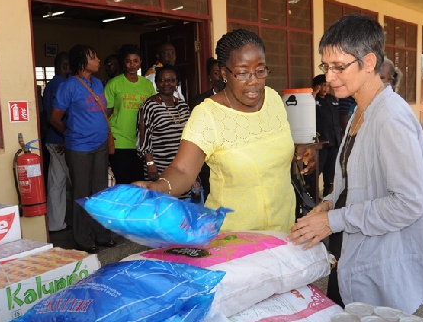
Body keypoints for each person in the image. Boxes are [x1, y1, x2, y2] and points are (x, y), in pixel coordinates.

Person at [288, 14, 423, 314]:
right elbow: (356, 183)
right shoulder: (360, 111)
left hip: (381, 265)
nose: (329, 77)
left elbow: (408, 203)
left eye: (340, 67)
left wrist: (331, 221)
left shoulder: (390, 117)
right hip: (353, 254)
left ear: (369, 62)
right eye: (326, 67)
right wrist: (328, 204)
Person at [134, 29, 317, 232]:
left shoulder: (273, 99)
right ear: (223, 73)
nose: (254, 80)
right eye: (242, 72)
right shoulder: (208, 114)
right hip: (234, 239)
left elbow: (268, 146)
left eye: (260, 70)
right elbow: (183, 170)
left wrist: (298, 151)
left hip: (282, 231)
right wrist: (157, 188)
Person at [50, 44, 116, 254]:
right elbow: (55, 118)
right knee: (82, 193)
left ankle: (102, 235)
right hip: (79, 147)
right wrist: (71, 134)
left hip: (100, 146)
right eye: (93, 57)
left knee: (99, 192)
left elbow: (101, 113)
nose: (98, 60)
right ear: (82, 62)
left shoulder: (97, 83)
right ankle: (84, 240)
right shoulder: (68, 86)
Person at [136, 65, 191, 198]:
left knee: (181, 204)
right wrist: (150, 164)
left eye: (171, 80)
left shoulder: (183, 106)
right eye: (162, 80)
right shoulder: (149, 106)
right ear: (156, 83)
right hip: (159, 166)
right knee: (161, 203)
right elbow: (143, 139)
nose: (166, 84)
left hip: (182, 167)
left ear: (176, 83)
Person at [105, 44, 156, 184]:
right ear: (123, 62)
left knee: (140, 184)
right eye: (128, 61)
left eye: (135, 61)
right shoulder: (114, 84)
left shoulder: (147, 85)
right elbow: (106, 114)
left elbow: (153, 111)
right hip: (120, 142)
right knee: (123, 184)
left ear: (140, 63)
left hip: (142, 143)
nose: (132, 64)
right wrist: (108, 139)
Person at [190, 57, 226, 201]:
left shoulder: (238, 99)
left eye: (223, 72)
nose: (221, 76)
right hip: (209, 158)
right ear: (210, 76)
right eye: (217, 73)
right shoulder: (201, 101)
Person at [43, 51, 71, 232]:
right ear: (66, 66)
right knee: (78, 184)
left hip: (53, 139)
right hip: (63, 141)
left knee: (56, 183)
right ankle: (86, 226)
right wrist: (67, 137)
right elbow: (61, 116)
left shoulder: (49, 86)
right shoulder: (63, 85)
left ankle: (55, 224)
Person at [312, 74, 342, 197]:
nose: (325, 88)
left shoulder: (332, 99)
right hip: (321, 143)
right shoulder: (312, 99)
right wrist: (313, 95)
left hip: (334, 141)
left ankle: (327, 198)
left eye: (327, 85)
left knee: (330, 174)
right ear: (317, 86)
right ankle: (313, 198)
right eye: (323, 85)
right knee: (315, 172)